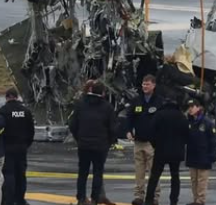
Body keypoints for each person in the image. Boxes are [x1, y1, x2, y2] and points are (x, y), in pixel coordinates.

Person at [68, 81, 117, 205]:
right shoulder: (107, 107)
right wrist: (110, 142)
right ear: (103, 92)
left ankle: (81, 198)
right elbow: (112, 128)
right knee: (98, 173)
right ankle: (95, 198)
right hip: (100, 145)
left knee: (82, 173)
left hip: (84, 144)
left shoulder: (80, 104)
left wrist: (78, 138)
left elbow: (73, 124)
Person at [144, 98, 189, 205]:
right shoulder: (181, 116)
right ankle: (174, 200)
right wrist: (181, 145)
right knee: (175, 176)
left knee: (154, 176)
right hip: (176, 151)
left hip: (161, 150)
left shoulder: (159, 115)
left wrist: (156, 145)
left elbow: (150, 132)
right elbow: (187, 134)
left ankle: (149, 200)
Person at [125, 75, 162, 205]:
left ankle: (154, 197)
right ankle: (139, 196)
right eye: (143, 84)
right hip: (138, 142)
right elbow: (129, 117)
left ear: (153, 85)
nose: (145, 87)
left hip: (153, 143)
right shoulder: (136, 101)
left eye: (147, 84)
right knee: (139, 172)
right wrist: (128, 131)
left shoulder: (159, 102)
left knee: (154, 172)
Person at [0, 87, 35, 205]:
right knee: (21, 174)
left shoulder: (2, 112)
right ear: (17, 97)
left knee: (9, 175)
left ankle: (8, 200)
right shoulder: (25, 111)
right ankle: (20, 198)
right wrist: (26, 144)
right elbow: (31, 131)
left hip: (7, 148)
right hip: (22, 147)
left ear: (7, 97)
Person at [185, 99, 216, 205]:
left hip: (204, 156)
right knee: (194, 181)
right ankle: (196, 199)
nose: (190, 109)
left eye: (192, 106)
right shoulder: (189, 122)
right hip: (192, 156)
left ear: (198, 107)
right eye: (189, 107)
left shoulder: (207, 123)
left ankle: (200, 200)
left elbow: (214, 141)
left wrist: (212, 156)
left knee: (202, 181)